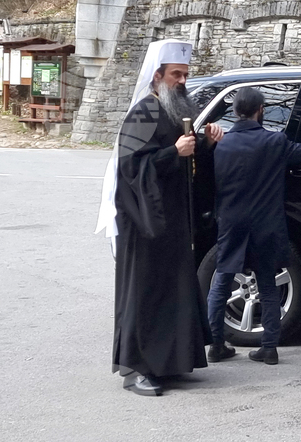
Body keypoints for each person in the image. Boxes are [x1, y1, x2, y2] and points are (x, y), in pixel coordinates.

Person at [96, 39, 224, 396]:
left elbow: (187, 166)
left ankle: (169, 363)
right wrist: (173, 152)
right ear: (157, 76)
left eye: (185, 74)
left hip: (172, 220)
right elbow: (130, 169)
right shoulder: (143, 113)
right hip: (144, 223)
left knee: (173, 291)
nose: (182, 81)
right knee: (145, 294)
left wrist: (206, 145)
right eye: (175, 74)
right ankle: (136, 369)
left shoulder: (173, 109)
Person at [207, 87, 301, 365]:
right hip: (265, 223)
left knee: (221, 281)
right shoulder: (275, 142)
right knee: (267, 283)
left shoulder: (222, 144)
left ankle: (216, 344)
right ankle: (269, 348)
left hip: (231, 221)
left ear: (235, 112)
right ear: (261, 111)